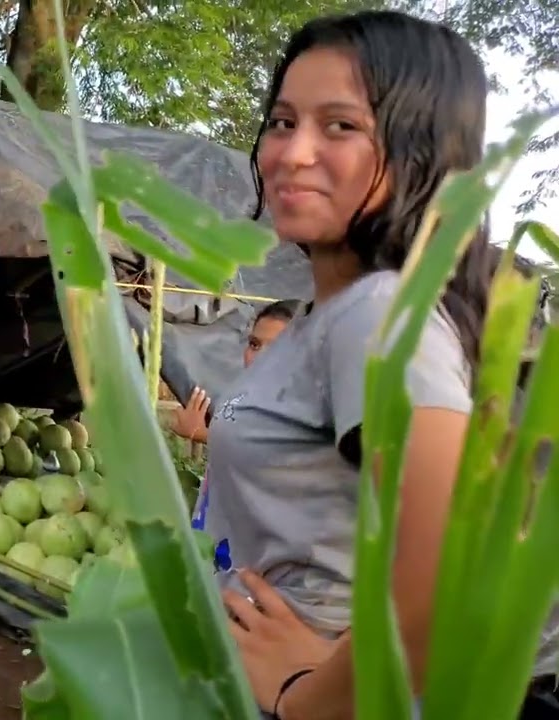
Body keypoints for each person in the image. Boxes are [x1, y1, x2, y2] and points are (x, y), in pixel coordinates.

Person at [195, 11, 559, 720]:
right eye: (281, 121)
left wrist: (304, 698)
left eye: (340, 127)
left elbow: (455, 569)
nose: (292, 153)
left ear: (419, 150)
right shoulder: (331, 316)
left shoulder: (378, 313)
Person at [169, 299, 302, 444]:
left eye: (276, 347)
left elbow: (273, 455)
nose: (258, 358)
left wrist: (199, 433)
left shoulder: (306, 411)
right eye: (254, 344)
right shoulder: (249, 395)